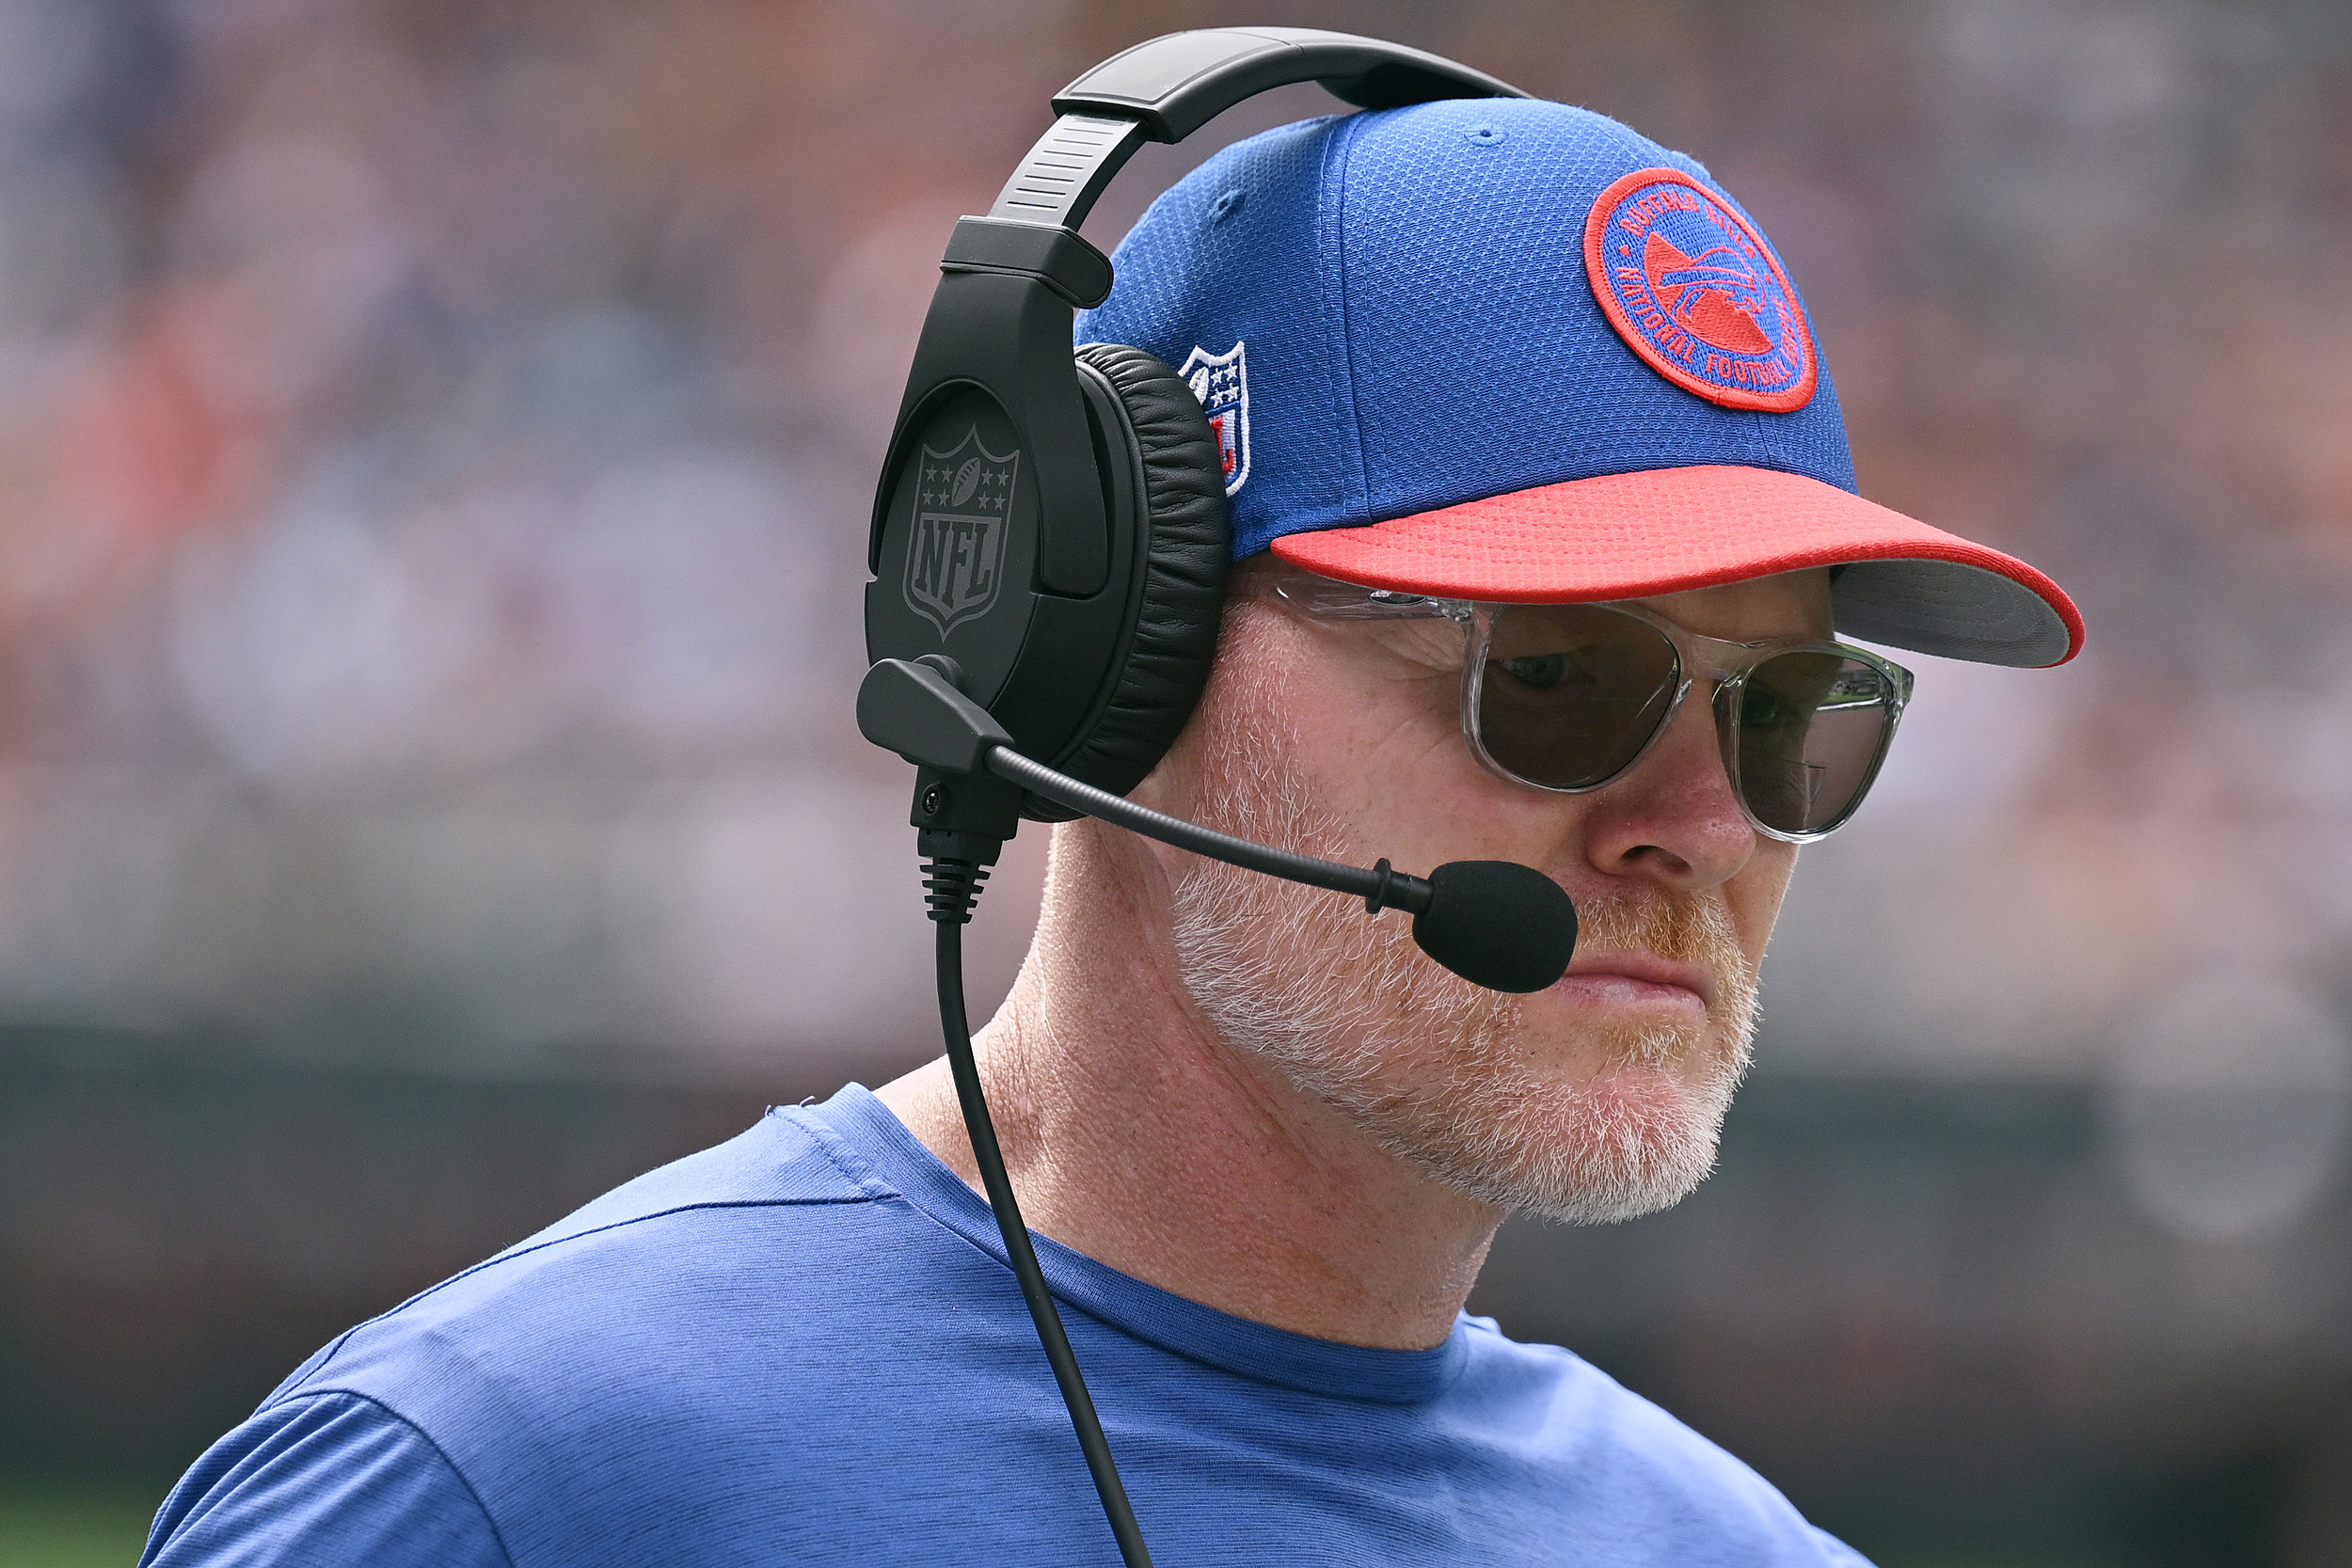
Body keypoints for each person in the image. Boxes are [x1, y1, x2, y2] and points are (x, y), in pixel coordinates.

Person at [140, 93, 2078, 1567]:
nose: (1694, 829)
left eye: (1785, 717)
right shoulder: (505, 1485)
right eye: (1555, 681)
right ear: (1106, 665)